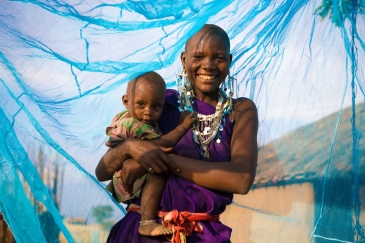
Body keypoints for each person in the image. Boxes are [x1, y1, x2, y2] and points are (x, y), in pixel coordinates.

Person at [96, 24, 258, 243]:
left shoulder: (240, 110)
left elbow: (240, 180)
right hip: (140, 232)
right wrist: (128, 148)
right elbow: (103, 172)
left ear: (229, 61)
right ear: (184, 60)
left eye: (218, 58)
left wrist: (157, 160)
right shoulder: (159, 104)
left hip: (202, 236)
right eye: (198, 56)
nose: (208, 65)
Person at [105, 71, 196, 236]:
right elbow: (164, 144)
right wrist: (184, 125)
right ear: (126, 101)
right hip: (127, 178)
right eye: (141, 104)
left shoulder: (124, 118)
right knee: (157, 173)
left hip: (123, 178)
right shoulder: (136, 125)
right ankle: (147, 223)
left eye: (155, 106)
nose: (148, 111)